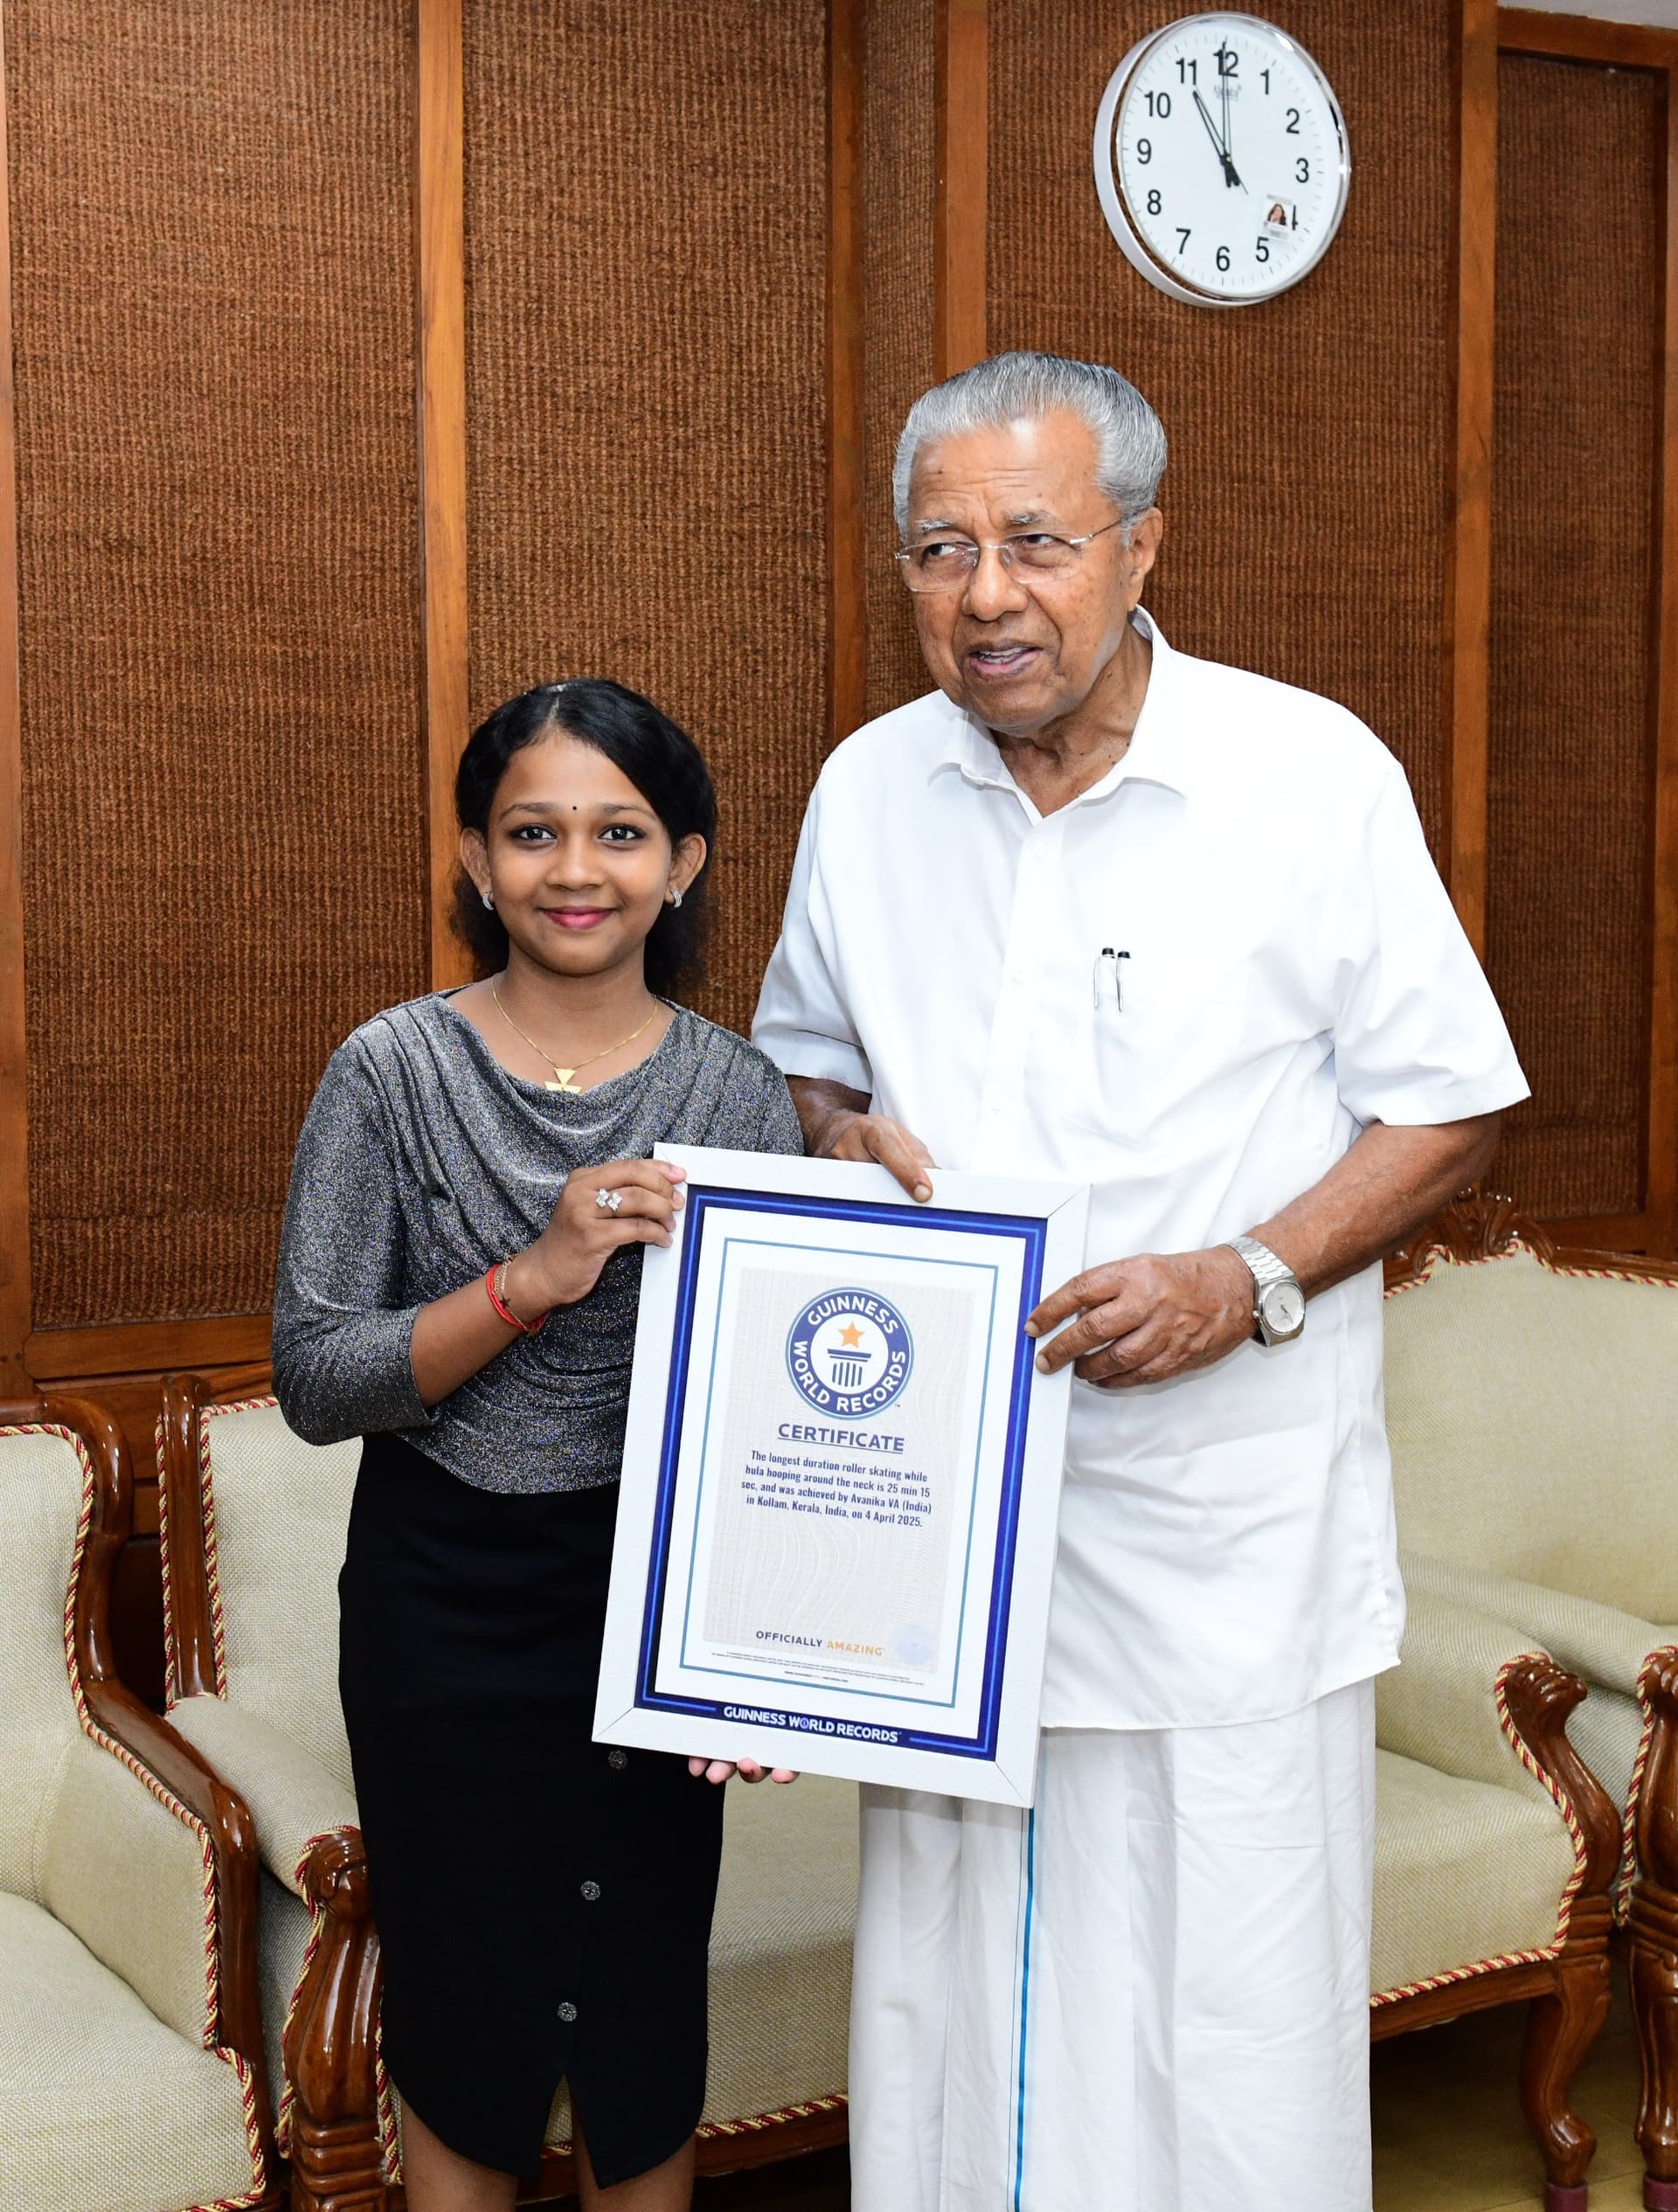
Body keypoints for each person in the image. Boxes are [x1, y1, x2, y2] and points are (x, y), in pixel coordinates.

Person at [752, 351, 1529, 2211]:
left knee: (1226, 2027)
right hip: (941, 1545)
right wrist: (839, 1141)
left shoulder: (1306, 773)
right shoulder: (869, 791)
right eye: (939, 548)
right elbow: (814, 1061)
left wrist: (1248, 1276)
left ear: (1142, 543)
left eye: (1036, 539)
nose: (986, 593)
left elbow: (1450, 1111)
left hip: (1219, 1545)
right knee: (951, 2011)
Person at [273, 677, 801, 2212]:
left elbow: (769, 1421)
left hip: (649, 1597)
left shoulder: (736, 1093)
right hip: (446, 1599)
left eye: (620, 833)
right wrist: (534, 1281)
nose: (578, 870)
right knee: (467, 2011)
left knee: (643, 2007)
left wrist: (774, 1647)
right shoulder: (391, 1073)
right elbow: (318, 1377)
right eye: (534, 832)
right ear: (476, 856)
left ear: (684, 862)